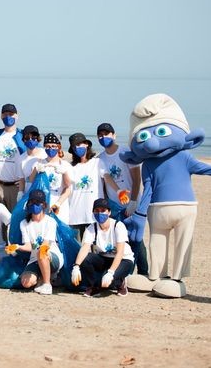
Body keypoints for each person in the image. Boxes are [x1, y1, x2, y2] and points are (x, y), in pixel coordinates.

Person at [96, 122, 148, 276]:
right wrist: (115, 195)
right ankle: (126, 272)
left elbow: (137, 179)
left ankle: (144, 271)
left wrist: (133, 202)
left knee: (136, 238)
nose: (103, 137)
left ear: (114, 135)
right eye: (100, 135)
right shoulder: (101, 159)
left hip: (132, 203)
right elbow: (106, 179)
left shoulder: (125, 153)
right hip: (114, 206)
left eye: (107, 134)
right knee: (120, 238)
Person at [71, 198, 134, 297]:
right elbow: (85, 248)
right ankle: (94, 286)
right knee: (86, 259)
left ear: (109, 212)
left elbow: (120, 252)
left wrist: (111, 272)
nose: (100, 213)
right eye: (97, 211)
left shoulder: (118, 226)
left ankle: (120, 282)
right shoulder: (92, 228)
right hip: (104, 258)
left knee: (110, 282)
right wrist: (76, 266)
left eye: (103, 210)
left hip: (123, 259)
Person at [6, 189, 64, 295]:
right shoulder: (24, 223)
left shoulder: (50, 222)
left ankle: (47, 284)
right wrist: (17, 247)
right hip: (35, 259)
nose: (34, 205)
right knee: (26, 283)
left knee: (41, 252)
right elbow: (28, 246)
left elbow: (46, 244)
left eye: (38, 202)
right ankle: (42, 277)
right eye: (32, 202)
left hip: (51, 256)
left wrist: (40, 250)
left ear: (44, 205)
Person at [67, 132, 123, 241]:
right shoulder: (71, 167)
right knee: (78, 249)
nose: (78, 148)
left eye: (80, 144)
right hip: (75, 215)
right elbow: (67, 188)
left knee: (95, 248)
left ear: (87, 145)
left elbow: (107, 177)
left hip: (94, 214)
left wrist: (118, 191)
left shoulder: (97, 162)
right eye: (75, 146)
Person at [28, 133, 72, 224]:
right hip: (42, 204)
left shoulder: (65, 165)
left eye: (53, 146)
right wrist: (36, 169)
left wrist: (64, 173)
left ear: (58, 147)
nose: (50, 148)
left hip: (59, 204)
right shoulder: (39, 162)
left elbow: (68, 187)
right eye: (47, 146)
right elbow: (31, 180)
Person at [17, 125, 47, 199]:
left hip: (43, 192)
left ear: (38, 139)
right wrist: (20, 193)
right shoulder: (21, 159)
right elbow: (21, 180)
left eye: (33, 138)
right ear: (23, 140)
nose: (31, 140)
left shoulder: (45, 154)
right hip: (28, 194)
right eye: (27, 138)